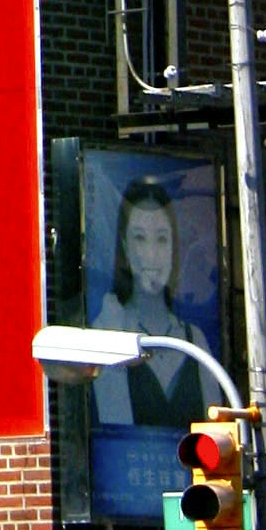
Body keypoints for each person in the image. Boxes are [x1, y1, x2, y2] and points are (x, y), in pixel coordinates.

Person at [91, 179, 215, 425]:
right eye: (140, 238)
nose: (151, 254)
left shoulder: (194, 340)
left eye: (161, 239)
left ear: (173, 247)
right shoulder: (108, 330)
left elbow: (219, 432)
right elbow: (114, 424)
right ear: (125, 248)